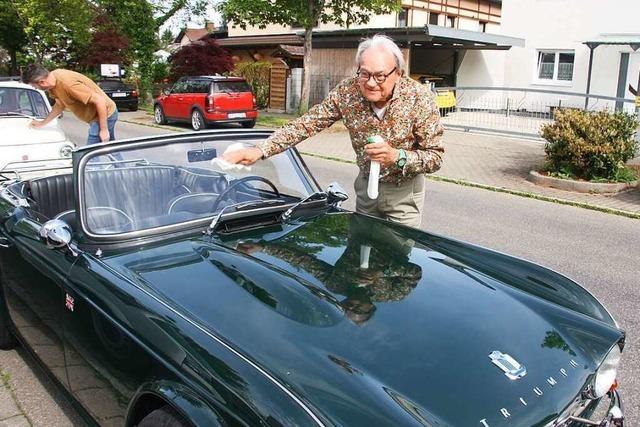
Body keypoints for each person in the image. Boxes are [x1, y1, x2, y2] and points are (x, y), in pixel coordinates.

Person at [223, 34, 444, 227]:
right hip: (366, 187)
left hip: (404, 191)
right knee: (362, 250)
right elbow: (307, 123)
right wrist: (261, 150)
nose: (370, 83)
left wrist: (398, 156)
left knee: (398, 255)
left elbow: (435, 157)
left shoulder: (420, 98)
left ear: (398, 72)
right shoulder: (348, 92)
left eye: (380, 76)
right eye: (364, 74)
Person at [22, 64, 118, 145]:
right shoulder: (53, 83)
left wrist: (104, 129)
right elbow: (59, 105)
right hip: (98, 116)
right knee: (111, 148)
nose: (35, 88)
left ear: (42, 82)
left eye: (33, 86)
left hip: (106, 114)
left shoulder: (68, 84)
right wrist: (42, 123)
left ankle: (89, 167)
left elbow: (100, 101)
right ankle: (122, 166)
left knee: (89, 154)